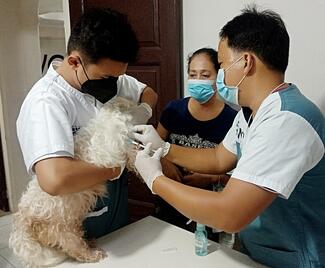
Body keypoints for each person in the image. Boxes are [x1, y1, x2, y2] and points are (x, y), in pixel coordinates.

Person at [133, 6, 325, 268]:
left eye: (222, 64)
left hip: (294, 256)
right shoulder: (251, 111)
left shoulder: (287, 120)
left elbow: (229, 214)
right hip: (259, 248)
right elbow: (218, 157)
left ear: (246, 62)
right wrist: (165, 148)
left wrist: (155, 180)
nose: (220, 74)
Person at [16, 8, 157, 240]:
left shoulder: (111, 78)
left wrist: (142, 112)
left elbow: (148, 93)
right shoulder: (47, 102)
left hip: (114, 211)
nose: (114, 85)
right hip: (72, 223)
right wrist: (117, 166)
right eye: (106, 78)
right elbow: (55, 179)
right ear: (74, 62)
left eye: (118, 77)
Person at [156, 48, 237, 242]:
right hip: (170, 199)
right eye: (193, 75)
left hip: (208, 208)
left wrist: (210, 178)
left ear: (218, 77)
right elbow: (154, 146)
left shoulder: (232, 119)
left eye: (205, 75)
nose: (197, 80)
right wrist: (165, 162)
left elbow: (237, 176)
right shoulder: (174, 110)